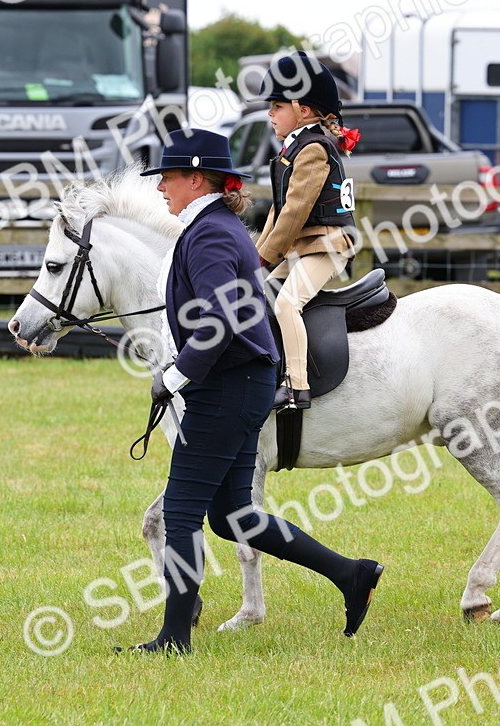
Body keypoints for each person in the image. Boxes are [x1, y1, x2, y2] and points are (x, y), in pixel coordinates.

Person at [125, 128, 382, 654]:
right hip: (240, 381)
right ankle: (351, 574)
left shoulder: (212, 234)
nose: (160, 189)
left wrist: (176, 375)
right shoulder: (212, 226)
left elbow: (219, 317)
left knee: (181, 510)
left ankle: (174, 638)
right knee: (232, 517)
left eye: (168, 179)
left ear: (196, 179)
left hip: (228, 385)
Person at [254, 52, 361, 410]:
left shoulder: (313, 148)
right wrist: (257, 253)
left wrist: (268, 254)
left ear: (302, 110)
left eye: (277, 105)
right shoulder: (294, 147)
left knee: (287, 304)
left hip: (328, 243)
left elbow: (296, 211)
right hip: (306, 244)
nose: (270, 113)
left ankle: (296, 386)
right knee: (261, 293)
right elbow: (278, 208)